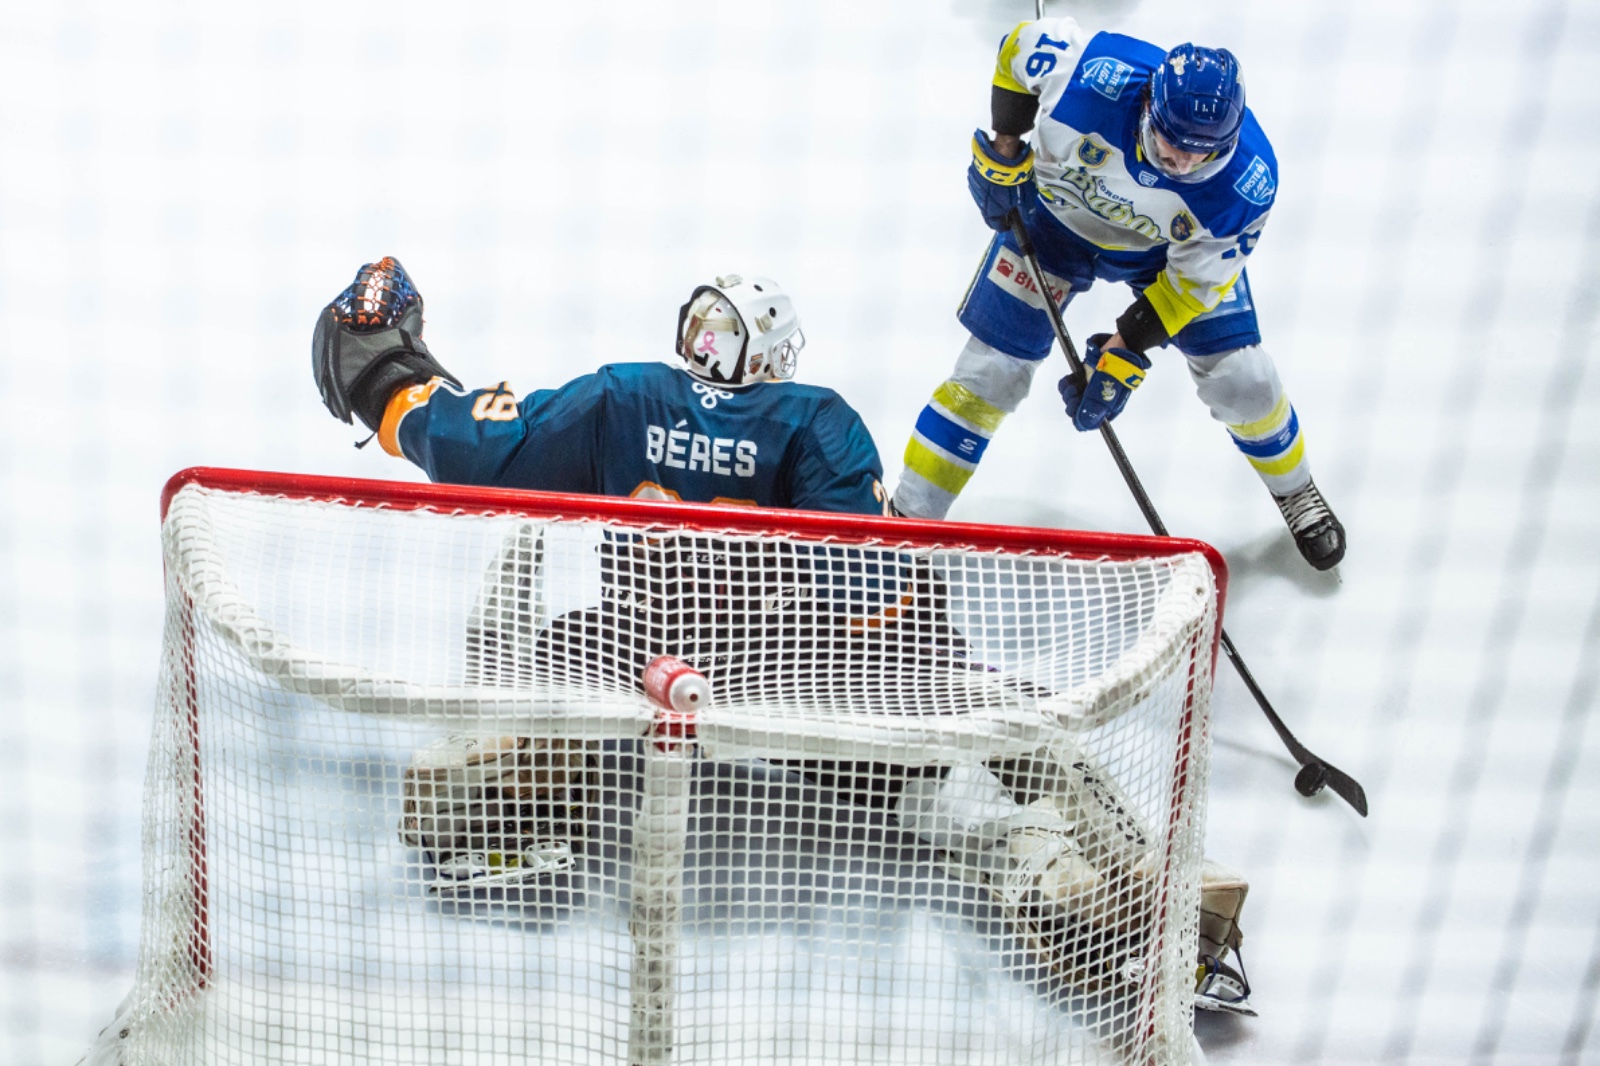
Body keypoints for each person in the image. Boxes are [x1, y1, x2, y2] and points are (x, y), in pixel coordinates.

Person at [310, 258, 1253, 1017]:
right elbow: (875, 572)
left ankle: (504, 764)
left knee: (548, 649)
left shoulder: (620, 399)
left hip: (648, 675)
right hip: (804, 688)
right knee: (985, 726)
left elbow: (478, 449)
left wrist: (387, 378)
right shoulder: (816, 420)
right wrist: (919, 667)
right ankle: (1061, 876)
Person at [892, 16, 1345, 573]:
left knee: (1242, 380)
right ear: (1148, 105)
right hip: (1051, 226)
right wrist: (1004, 152)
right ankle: (903, 529)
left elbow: (1189, 288)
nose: (1181, 163)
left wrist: (1126, 348)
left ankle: (1297, 492)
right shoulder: (1087, 74)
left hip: (1160, 258)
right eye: (1171, 143)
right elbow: (1017, 47)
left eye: (1201, 155)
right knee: (989, 374)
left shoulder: (1246, 185)